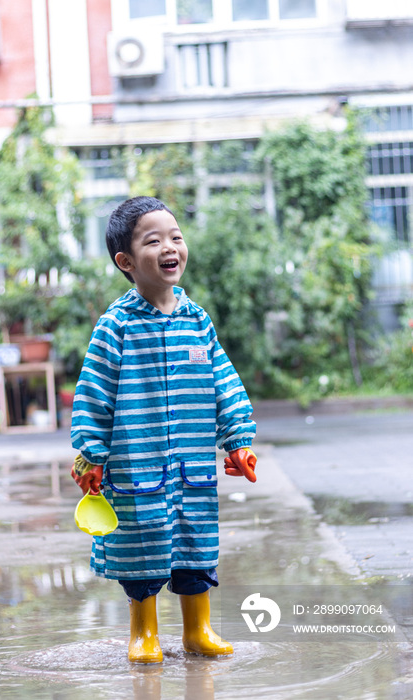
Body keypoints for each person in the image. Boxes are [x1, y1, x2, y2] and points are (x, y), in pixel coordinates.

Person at [71, 196, 257, 664]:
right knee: (142, 543)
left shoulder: (197, 321)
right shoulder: (115, 326)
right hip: (139, 462)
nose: (170, 246)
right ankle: (144, 632)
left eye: (175, 236)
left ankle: (198, 630)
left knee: (196, 542)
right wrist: (90, 454)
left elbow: (223, 381)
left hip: (192, 462)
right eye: (154, 241)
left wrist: (238, 440)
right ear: (126, 261)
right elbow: (94, 391)